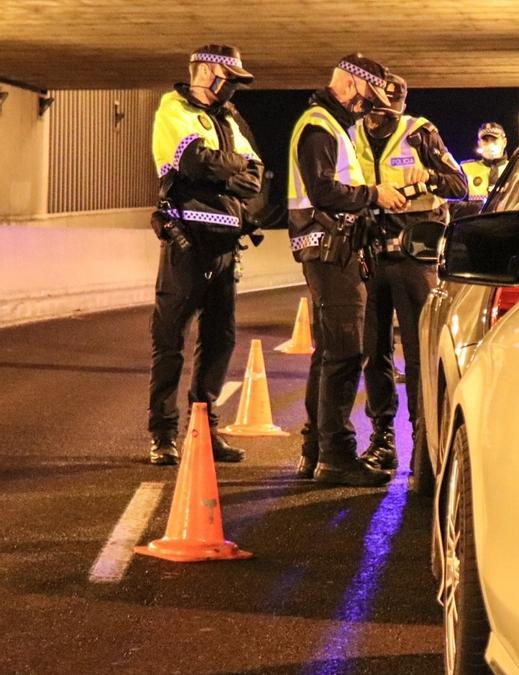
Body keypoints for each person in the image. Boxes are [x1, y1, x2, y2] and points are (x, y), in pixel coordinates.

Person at [288, 55, 408, 487]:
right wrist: (374, 194)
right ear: (354, 84)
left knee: (327, 355)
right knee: (343, 354)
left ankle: (315, 450)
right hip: (331, 250)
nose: (367, 107)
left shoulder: (332, 126)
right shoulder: (320, 125)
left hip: (327, 248)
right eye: (368, 97)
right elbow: (321, 189)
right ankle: (337, 457)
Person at [147, 44, 264, 466]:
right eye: (231, 78)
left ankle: (204, 430)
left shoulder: (230, 120)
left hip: (225, 245)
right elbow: (194, 162)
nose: (234, 87)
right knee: (171, 340)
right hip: (186, 244)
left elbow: (255, 176)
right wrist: (232, 170)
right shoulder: (173, 109)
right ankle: (163, 434)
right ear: (210, 72)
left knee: (219, 341)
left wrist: (227, 169)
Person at [355, 73, 467, 476]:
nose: (373, 119)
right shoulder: (352, 135)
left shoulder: (420, 133)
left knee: (420, 353)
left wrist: (429, 179)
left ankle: (423, 440)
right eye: (370, 110)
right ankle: (382, 439)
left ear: (397, 108)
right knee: (374, 351)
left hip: (414, 256)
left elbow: (459, 184)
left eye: (382, 112)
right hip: (372, 253)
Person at [452, 122, 509, 219]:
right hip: (474, 226)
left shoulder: (514, 168)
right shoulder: (466, 169)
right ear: (479, 144)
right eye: (485, 141)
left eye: (494, 140)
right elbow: (453, 205)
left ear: (504, 142)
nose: (490, 144)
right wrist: (481, 207)